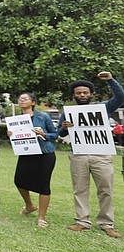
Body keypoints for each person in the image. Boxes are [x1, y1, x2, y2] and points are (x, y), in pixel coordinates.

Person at [58, 72, 124, 238]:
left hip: (101, 155)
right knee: (79, 189)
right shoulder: (68, 112)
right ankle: (82, 221)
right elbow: (59, 131)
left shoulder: (103, 108)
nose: (82, 95)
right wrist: (65, 127)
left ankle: (107, 223)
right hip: (78, 154)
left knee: (105, 189)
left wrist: (110, 80)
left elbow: (120, 96)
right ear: (74, 95)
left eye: (85, 92)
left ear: (91, 95)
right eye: (78, 92)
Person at [9, 92, 58, 229]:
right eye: (20, 98)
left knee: (44, 185)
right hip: (26, 154)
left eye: (25, 98)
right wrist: (11, 135)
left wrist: (43, 134)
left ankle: (41, 217)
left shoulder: (43, 117)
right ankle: (30, 206)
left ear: (33, 102)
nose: (22, 100)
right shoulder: (16, 119)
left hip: (44, 154)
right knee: (19, 180)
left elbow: (54, 134)